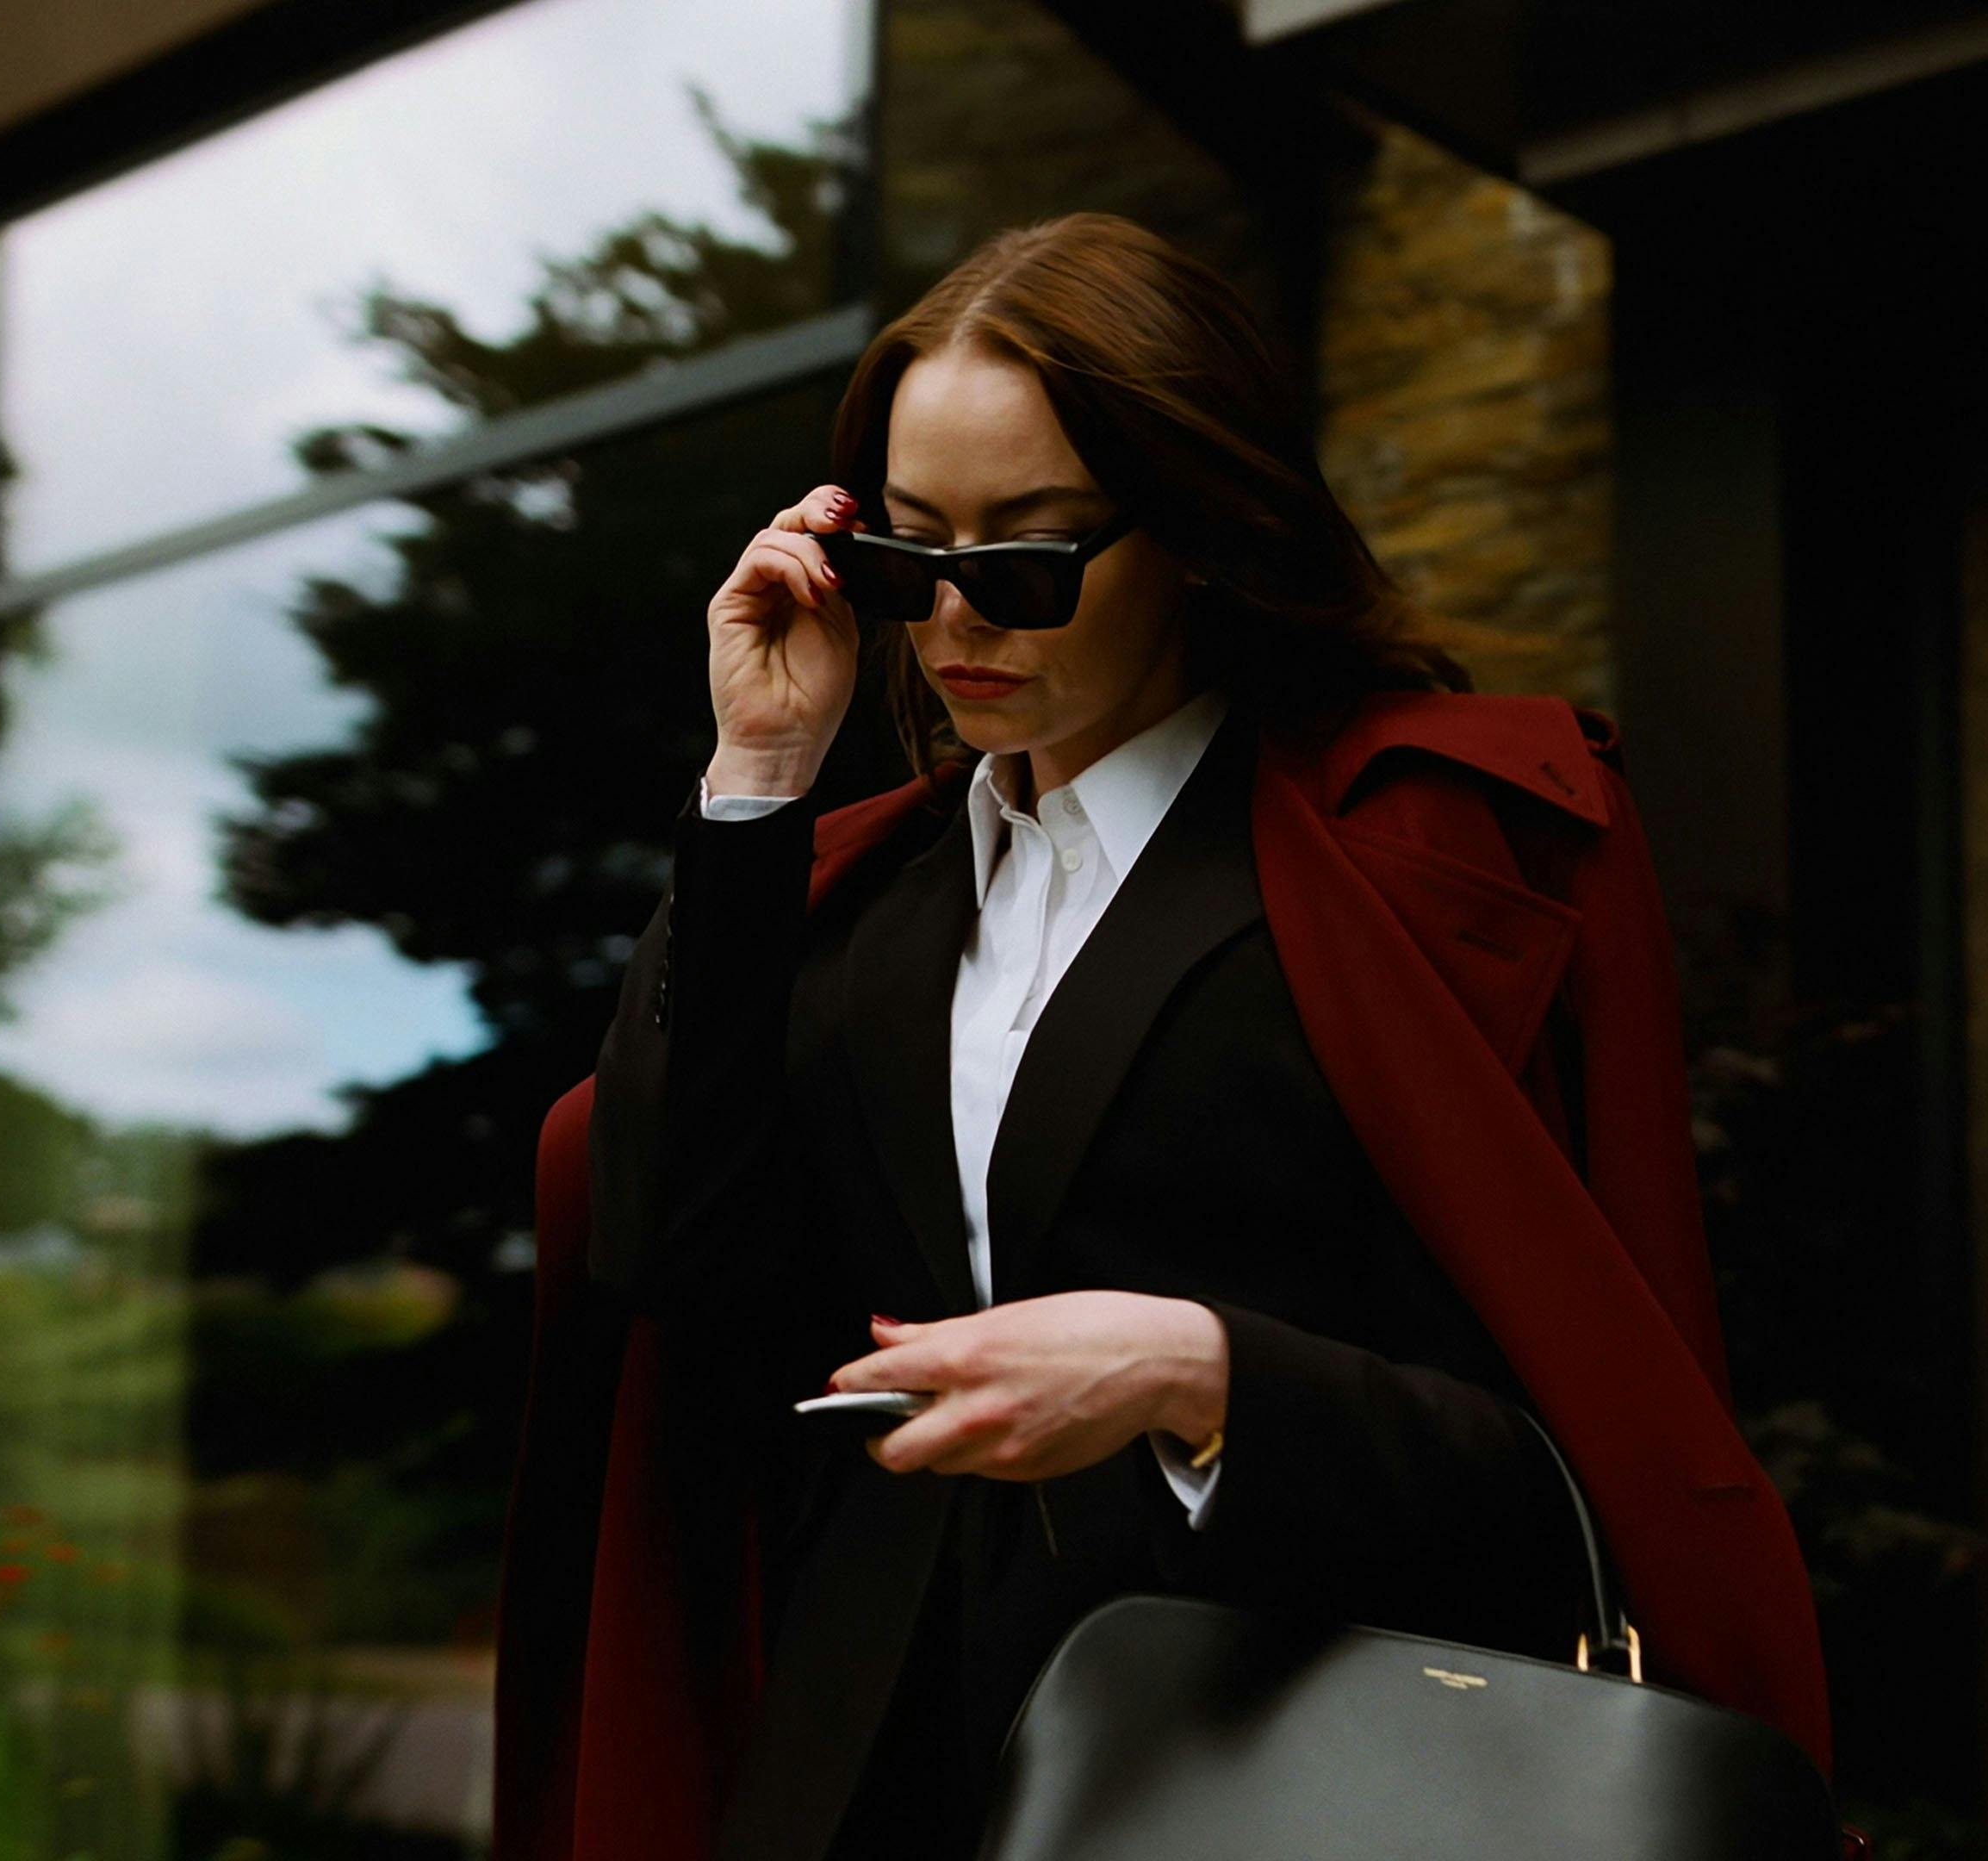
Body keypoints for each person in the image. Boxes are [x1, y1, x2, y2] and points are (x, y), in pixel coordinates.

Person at [496, 211, 1826, 1861]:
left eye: (1030, 557)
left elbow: (1591, 1445)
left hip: (1288, 1780)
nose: (961, 622)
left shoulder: (1429, 859)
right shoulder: (853, 904)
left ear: (1196, 530)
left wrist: (1206, 1380)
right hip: (864, 1781)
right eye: (914, 558)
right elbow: (668, 1262)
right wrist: (758, 776)